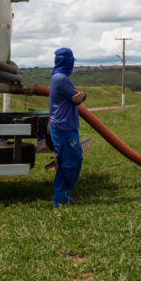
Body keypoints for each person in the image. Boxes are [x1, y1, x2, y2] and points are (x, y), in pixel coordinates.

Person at [48, 47, 86, 207]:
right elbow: (77, 98)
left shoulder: (59, 78)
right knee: (70, 162)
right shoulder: (61, 79)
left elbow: (77, 97)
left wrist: (81, 96)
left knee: (72, 160)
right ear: (67, 62)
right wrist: (83, 95)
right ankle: (61, 199)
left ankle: (63, 197)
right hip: (63, 128)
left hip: (66, 127)